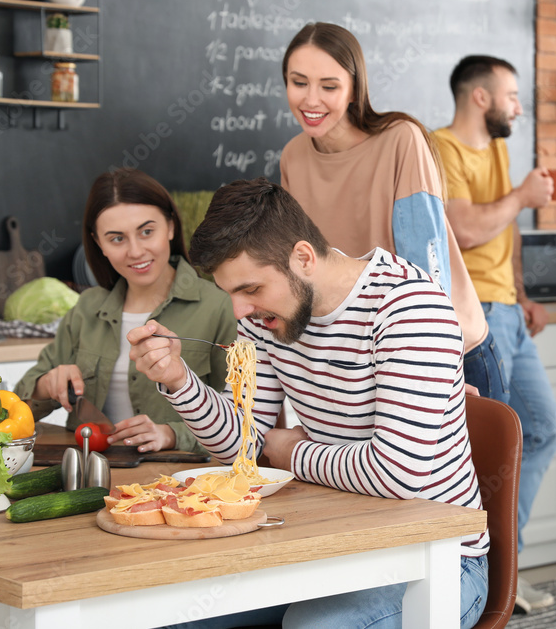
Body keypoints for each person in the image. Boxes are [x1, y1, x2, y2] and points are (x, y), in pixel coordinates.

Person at [129, 177, 489, 629]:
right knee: (163, 613)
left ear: (302, 257)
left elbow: (397, 474)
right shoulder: (267, 319)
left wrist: (287, 453)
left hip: (436, 561)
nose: (239, 311)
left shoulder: (408, 310)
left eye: (251, 289)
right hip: (333, 543)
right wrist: (180, 381)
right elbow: (244, 446)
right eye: (231, 294)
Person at [278, 21, 506, 404]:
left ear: (354, 89)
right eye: (299, 82)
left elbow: (428, 277)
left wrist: (439, 370)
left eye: (329, 86)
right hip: (362, 366)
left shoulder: (401, 140)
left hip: (447, 354)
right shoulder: (293, 157)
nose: (311, 100)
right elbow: (302, 270)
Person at [434, 54, 556, 613]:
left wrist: (523, 293)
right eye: (511, 96)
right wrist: (522, 198)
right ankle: (491, 577)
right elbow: (461, 229)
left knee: (541, 431)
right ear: (480, 97)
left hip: (507, 309)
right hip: (474, 316)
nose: (518, 107)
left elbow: (501, 234)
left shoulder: (499, 147)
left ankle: (504, 560)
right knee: (492, 451)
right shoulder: (440, 148)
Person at [15, 169, 236, 453]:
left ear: (170, 226)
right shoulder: (87, 308)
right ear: (99, 243)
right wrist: (46, 385)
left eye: (146, 232)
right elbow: (14, 409)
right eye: (117, 238)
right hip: (87, 475)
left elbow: (244, 421)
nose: (135, 251)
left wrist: (171, 434)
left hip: (178, 483)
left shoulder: (221, 307)